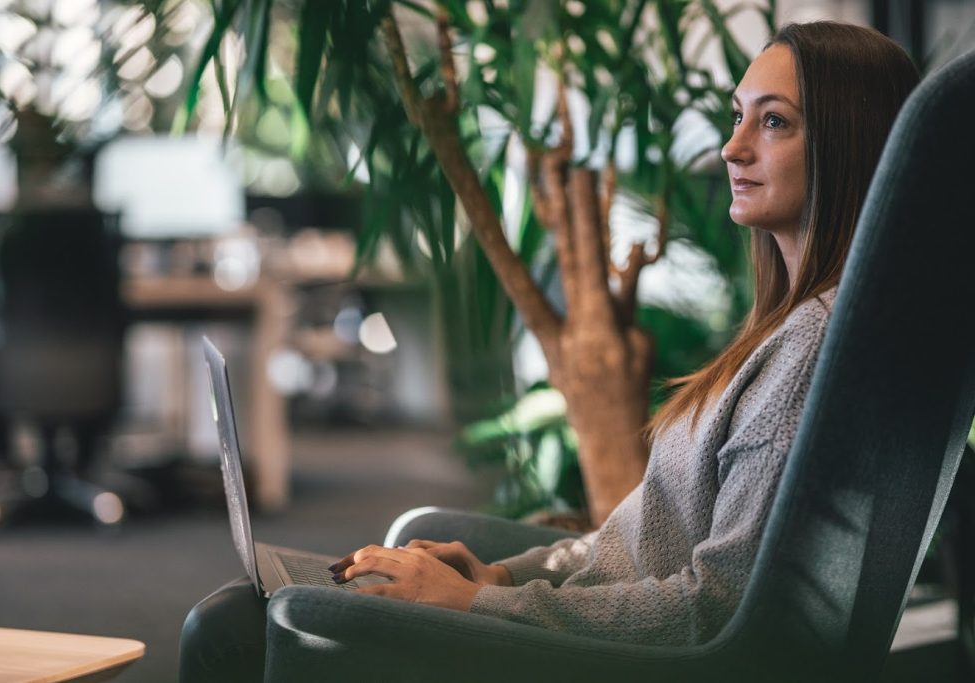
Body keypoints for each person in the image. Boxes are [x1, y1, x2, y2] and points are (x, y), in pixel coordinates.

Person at [179, 20, 920, 681]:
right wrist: (501, 577)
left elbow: (714, 609)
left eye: (775, 122)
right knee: (287, 594)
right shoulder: (793, 329)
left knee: (234, 626)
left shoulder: (806, 353)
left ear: (846, 143)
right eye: (737, 117)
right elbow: (643, 542)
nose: (732, 147)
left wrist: (480, 606)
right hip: (592, 632)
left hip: (631, 658)